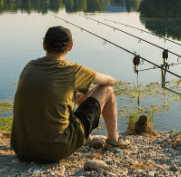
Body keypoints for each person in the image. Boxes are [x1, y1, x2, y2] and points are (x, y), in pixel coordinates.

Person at [11, 26, 121, 162]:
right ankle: (113, 139)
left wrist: (81, 98)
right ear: (70, 47)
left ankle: (86, 137)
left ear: (44, 45)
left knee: (68, 100)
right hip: (55, 150)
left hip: (22, 149)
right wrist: (87, 95)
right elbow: (110, 81)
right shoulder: (72, 70)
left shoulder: (29, 67)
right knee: (107, 90)